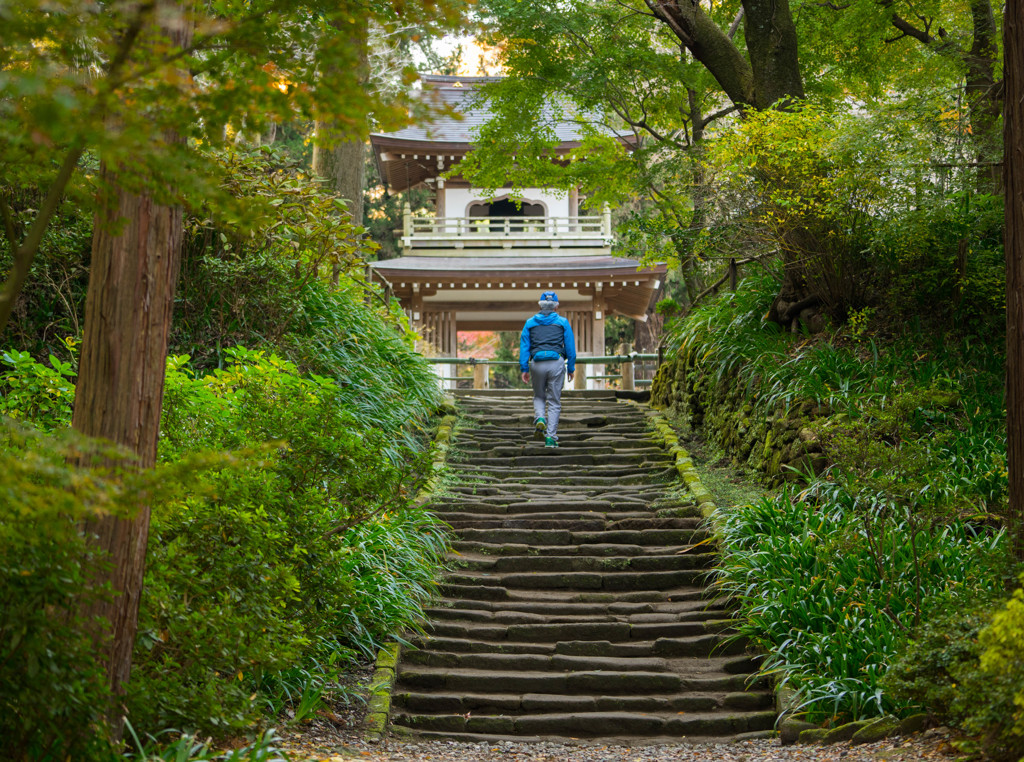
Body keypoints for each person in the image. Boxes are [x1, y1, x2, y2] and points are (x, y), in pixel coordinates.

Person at [519, 291, 576, 448]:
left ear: (540, 305)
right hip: (556, 362)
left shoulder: (530, 323)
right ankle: (550, 438)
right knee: (554, 402)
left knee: (539, 396)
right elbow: (570, 346)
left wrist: (524, 368)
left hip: (537, 362)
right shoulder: (563, 322)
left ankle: (540, 418)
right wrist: (571, 367)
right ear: (556, 306)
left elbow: (524, 346)